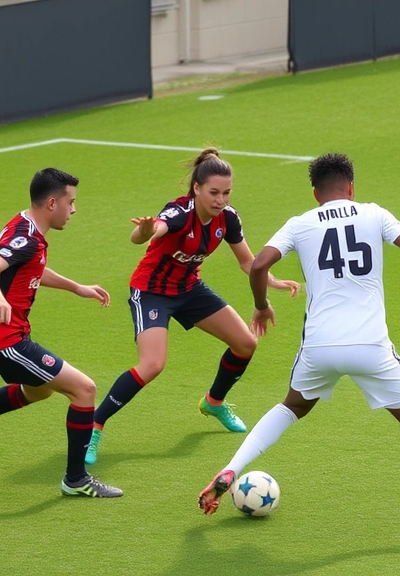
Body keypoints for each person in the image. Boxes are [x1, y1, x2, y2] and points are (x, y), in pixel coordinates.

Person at [197, 153, 400, 527]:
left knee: (291, 408)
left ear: (315, 193)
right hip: (370, 346)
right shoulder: (373, 213)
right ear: (350, 187)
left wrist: (261, 305)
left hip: (319, 346)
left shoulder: (300, 224)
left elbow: (258, 265)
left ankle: (229, 470)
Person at [85, 148, 300, 465]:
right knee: (152, 365)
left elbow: (247, 261)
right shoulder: (178, 213)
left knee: (245, 344)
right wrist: (144, 230)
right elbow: (147, 232)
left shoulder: (227, 218)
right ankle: (94, 425)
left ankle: (214, 402)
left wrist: (272, 281)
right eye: (214, 193)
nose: (221, 200)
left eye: (226, 193)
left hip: (189, 289)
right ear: (196, 189)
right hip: (151, 292)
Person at [0, 168, 122, 498]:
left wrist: (76, 287)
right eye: (71, 202)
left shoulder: (25, 227)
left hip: (0, 337)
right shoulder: (27, 237)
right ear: (52, 203)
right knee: (85, 390)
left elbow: (31, 266)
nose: (74, 210)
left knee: (38, 391)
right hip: (5, 342)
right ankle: (76, 479)